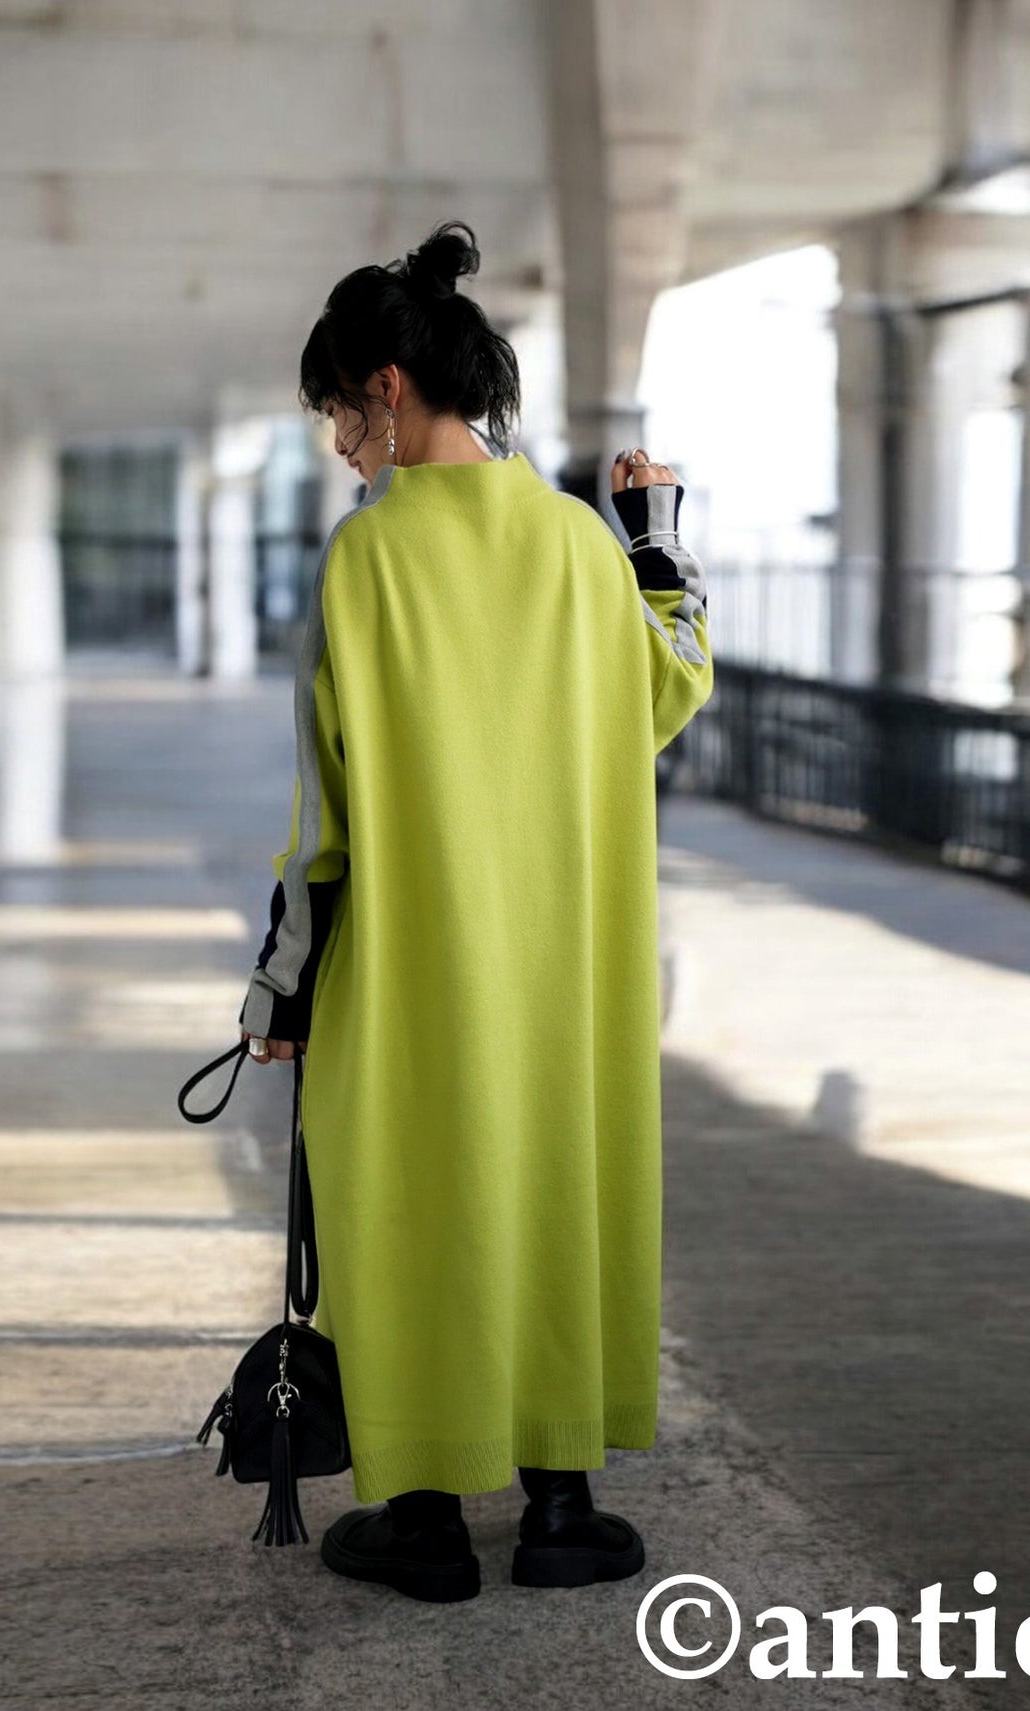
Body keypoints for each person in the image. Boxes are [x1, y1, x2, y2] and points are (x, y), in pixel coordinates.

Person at [239, 218, 713, 1603]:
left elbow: (322, 813)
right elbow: (668, 688)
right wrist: (656, 538)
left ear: (386, 385)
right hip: (566, 967)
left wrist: (282, 984)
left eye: (337, 407)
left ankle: (427, 1515)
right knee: (558, 1188)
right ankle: (562, 1506)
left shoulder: (363, 561)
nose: (339, 440)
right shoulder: (577, 545)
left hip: (412, 964)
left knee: (410, 1203)